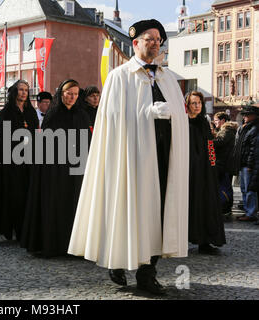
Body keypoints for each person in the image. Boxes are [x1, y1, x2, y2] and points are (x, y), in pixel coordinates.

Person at [67, 20, 190, 296]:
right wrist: (146, 116)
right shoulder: (119, 77)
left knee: (157, 215)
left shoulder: (168, 78)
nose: (156, 42)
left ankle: (148, 274)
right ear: (135, 43)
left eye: (159, 39)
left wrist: (172, 118)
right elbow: (112, 121)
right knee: (127, 208)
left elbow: (181, 116)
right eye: (150, 38)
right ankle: (118, 260)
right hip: (129, 161)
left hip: (162, 159)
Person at [21, 80, 91, 257]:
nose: (72, 97)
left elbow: (88, 143)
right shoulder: (53, 114)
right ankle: (53, 245)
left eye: (75, 94)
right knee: (55, 204)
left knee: (75, 205)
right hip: (55, 170)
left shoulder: (82, 115)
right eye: (69, 93)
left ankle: (74, 246)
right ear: (61, 94)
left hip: (76, 171)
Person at [0, 80, 39, 241]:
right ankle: (9, 228)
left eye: (26, 90)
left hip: (28, 160)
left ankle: (24, 229)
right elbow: (1, 138)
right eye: (21, 90)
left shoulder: (31, 112)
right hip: (11, 161)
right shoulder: (6, 112)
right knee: (13, 195)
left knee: (26, 195)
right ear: (15, 92)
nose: (23, 93)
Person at [186, 91, 226, 254]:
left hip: (204, 170)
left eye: (199, 103)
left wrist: (212, 164)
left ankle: (205, 241)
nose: (197, 106)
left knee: (206, 203)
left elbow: (210, 145)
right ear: (187, 104)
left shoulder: (203, 122)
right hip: (187, 169)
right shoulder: (181, 121)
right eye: (194, 103)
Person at [232, 105, 259, 222]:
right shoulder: (245, 127)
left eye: (247, 114)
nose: (244, 116)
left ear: (254, 116)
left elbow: (254, 149)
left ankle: (251, 213)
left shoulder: (254, 128)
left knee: (249, 190)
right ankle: (248, 211)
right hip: (242, 163)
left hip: (248, 165)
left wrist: (249, 165)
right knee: (244, 189)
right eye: (244, 114)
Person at [213, 112, 238, 219]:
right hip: (224, 164)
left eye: (216, 120)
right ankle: (225, 208)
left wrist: (209, 139)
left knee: (224, 188)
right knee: (225, 187)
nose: (214, 123)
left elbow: (219, 142)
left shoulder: (226, 130)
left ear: (223, 121)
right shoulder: (225, 130)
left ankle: (225, 208)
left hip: (224, 164)